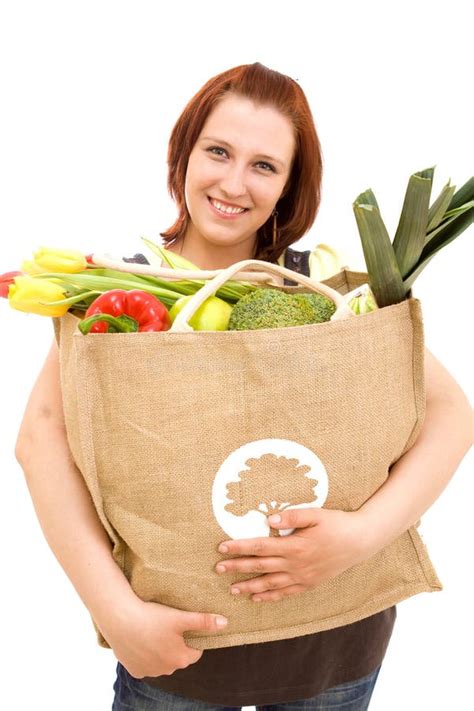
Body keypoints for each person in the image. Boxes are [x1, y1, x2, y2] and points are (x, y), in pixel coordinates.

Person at [15, 62, 472, 711]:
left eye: (264, 165)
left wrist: (360, 536)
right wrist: (115, 611)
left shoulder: (324, 290)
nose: (234, 183)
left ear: (289, 184)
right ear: (184, 153)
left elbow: (452, 413)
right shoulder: (127, 289)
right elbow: (41, 440)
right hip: (178, 650)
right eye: (219, 151)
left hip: (333, 643)